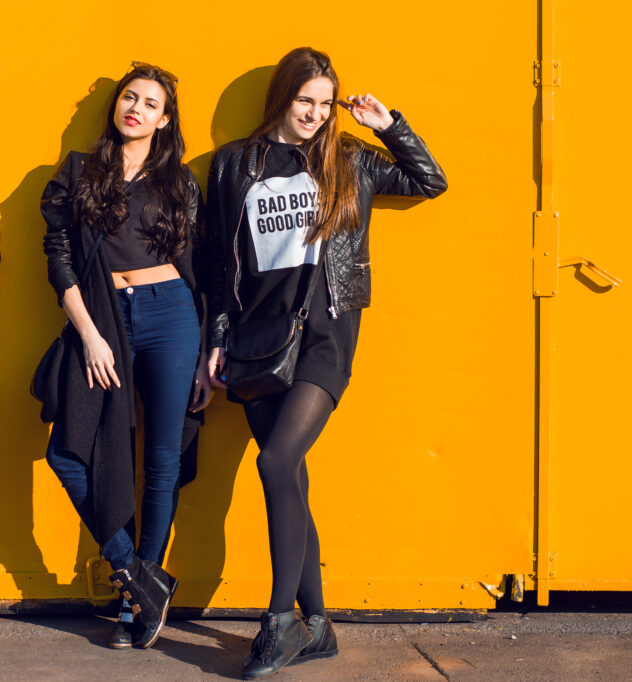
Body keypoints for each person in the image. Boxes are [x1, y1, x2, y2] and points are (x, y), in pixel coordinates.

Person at [204, 47, 447, 679]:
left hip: (326, 332)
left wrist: (388, 124)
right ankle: (319, 625)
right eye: (302, 100)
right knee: (294, 481)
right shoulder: (235, 163)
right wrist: (218, 335)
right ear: (282, 99)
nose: (313, 113)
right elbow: (217, 263)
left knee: (277, 460)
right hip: (257, 337)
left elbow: (430, 181)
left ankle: (279, 621)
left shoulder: (350, 161)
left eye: (323, 102)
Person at [40, 62, 212, 650]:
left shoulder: (180, 183)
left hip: (172, 315)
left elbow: (203, 271)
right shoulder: (79, 173)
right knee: (68, 452)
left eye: (150, 103)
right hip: (103, 320)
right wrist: (88, 334)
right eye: (128, 97)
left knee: (161, 461)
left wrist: (205, 355)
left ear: (165, 121)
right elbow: (58, 259)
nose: (135, 108)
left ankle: (135, 605)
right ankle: (139, 578)